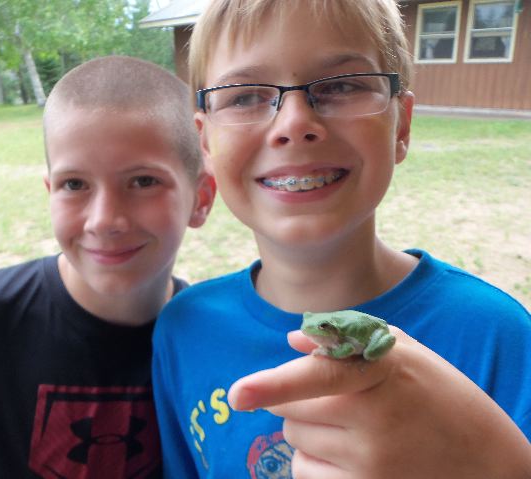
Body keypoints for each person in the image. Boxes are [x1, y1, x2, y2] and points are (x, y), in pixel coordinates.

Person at [151, 1, 531, 477]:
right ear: (205, 142)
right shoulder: (183, 330)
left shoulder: (499, 336)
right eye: (244, 97)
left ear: (401, 125)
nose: (294, 123)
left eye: (341, 86)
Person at [0, 55, 215, 478]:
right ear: (50, 191)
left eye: (143, 181)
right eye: (74, 184)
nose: (104, 220)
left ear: (201, 199)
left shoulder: (213, 344)